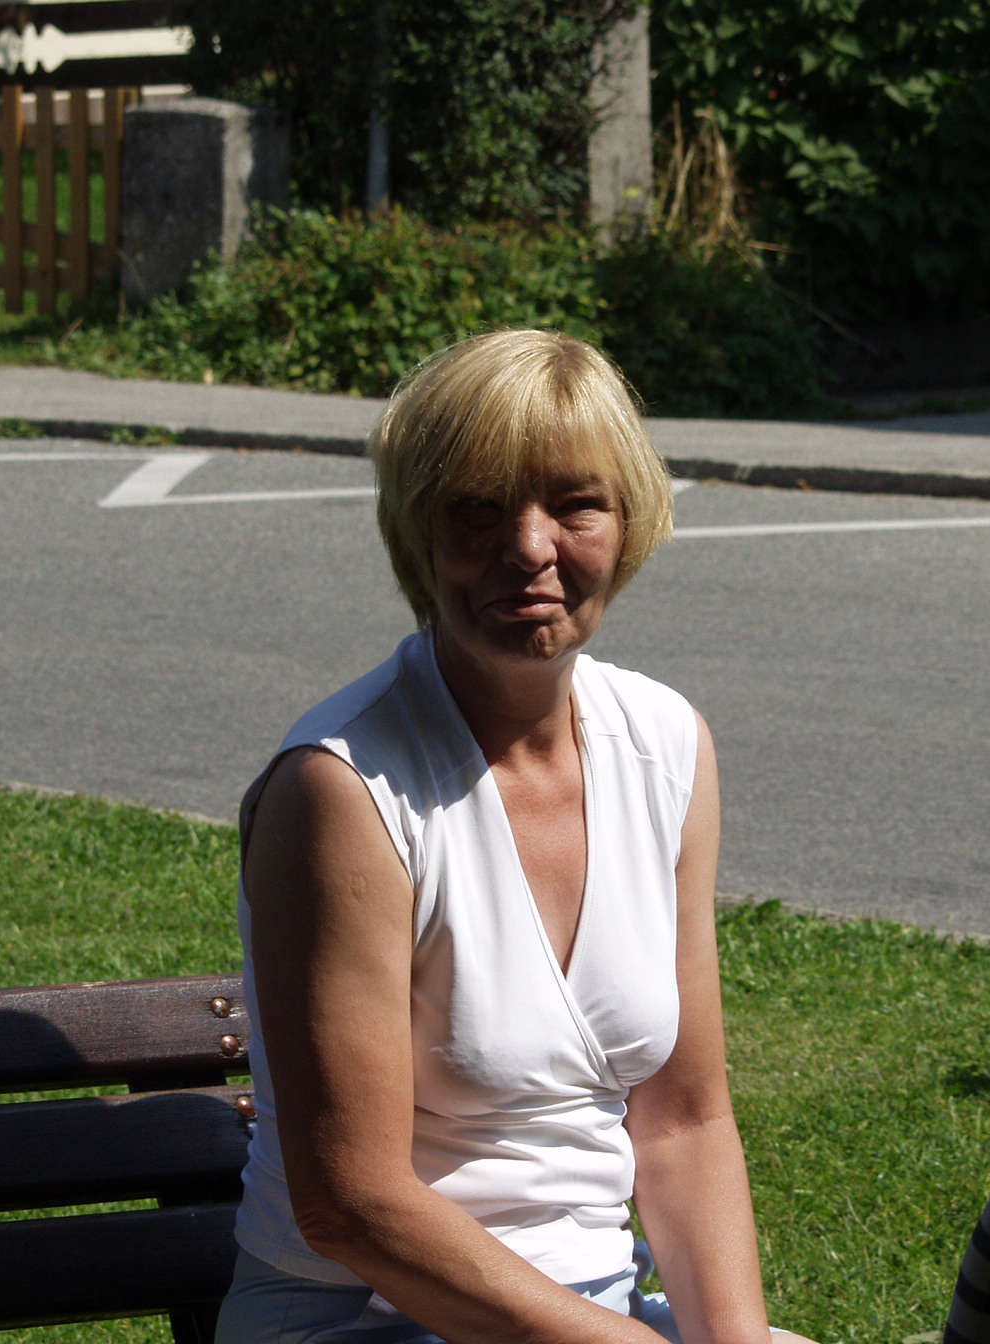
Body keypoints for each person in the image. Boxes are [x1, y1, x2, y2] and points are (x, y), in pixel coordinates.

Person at [215, 329, 816, 1344]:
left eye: (575, 504)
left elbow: (684, 1122)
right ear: (418, 530)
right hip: (363, 1317)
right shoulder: (343, 789)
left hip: (595, 1315)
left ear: (629, 523)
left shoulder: (667, 746)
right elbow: (351, 1205)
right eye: (479, 507)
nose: (530, 547)